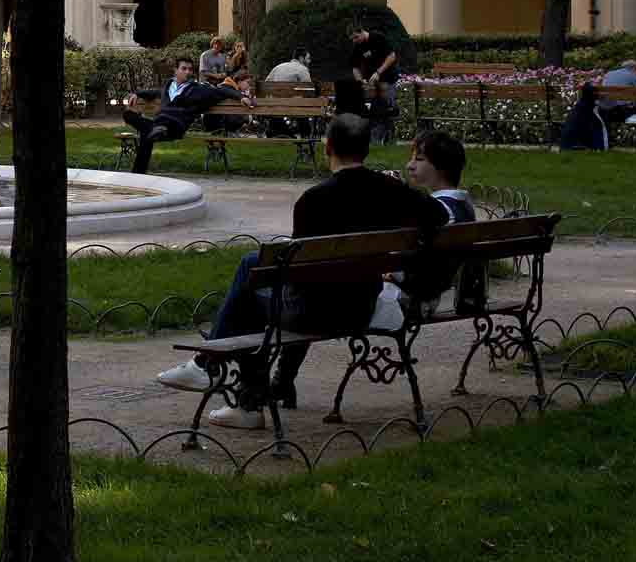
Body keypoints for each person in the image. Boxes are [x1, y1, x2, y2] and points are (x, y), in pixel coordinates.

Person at [154, 114, 448, 428]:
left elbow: (300, 275)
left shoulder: (314, 200)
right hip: (361, 307)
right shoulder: (390, 190)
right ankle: (216, 373)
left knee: (249, 290)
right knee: (252, 267)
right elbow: (438, 215)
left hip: (313, 313)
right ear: (366, 149)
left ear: (328, 147)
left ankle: (229, 386)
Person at [392, 130, 477, 316]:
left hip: (411, 295)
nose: (409, 166)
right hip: (429, 291)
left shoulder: (442, 212)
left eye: (419, 160)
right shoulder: (463, 206)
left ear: (442, 167)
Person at [120, 57, 254, 173]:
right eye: (184, 69)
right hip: (158, 125)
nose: (187, 72)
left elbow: (222, 90)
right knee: (129, 115)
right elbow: (154, 93)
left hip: (175, 127)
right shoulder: (169, 85)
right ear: (175, 70)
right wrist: (137, 94)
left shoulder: (198, 89)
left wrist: (240, 97)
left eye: (190, 69)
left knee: (149, 131)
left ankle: (138, 173)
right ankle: (139, 170)